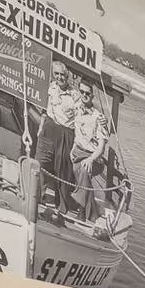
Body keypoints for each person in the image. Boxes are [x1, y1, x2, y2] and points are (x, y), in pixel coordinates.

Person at [33, 67, 78, 211]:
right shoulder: (50, 88)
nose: (59, 77)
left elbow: (79, 121)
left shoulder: (75, 95)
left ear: (67, 76)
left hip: (65, 133)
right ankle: (37, 199)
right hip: (48, 127)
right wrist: (41, 127)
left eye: (62, 74)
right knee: (40, 162)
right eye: (56, 74)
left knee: (62, 171)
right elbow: (44, 110)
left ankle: (61, 207)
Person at [68, 83, 113, 222]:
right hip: (78, 152)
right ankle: (92, 212)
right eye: (82, 92)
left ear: (93, 95)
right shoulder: (77, 109)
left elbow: (101, 147)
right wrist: (73, 148)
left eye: (87, 93)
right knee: (77, 172)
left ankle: (81, 212)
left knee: (84, 170)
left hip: (94, 157)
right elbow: (78, 134)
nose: (84, 95)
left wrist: (91, 159)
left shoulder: (98, 117)